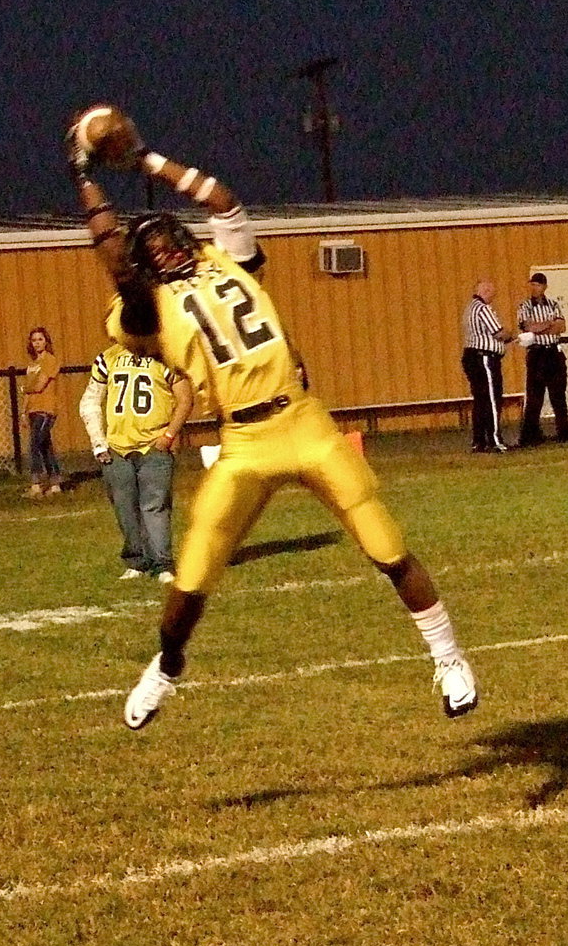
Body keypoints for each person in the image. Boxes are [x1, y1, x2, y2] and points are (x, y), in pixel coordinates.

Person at [65, 109, 480, 730]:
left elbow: (223, 200)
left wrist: (149, 160)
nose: (163, 246)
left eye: (168, 235)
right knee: (192, 577)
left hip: (304, 420)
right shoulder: (145, 306)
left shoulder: (227, 261)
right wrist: (83, 176)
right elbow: (113, 256)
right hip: (243, 441)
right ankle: (166, 667)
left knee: (387, 546)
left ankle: (448, 657)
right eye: (150, 245)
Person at [79, 342, 193, 583]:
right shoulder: (108, 357)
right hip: (117, 447)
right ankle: (137, 561)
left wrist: (169, 435)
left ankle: (162, 564)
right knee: (125, 509)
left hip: (153, 443)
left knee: (155, 507)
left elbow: (185, 398)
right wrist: (98, 442)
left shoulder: (166, 356)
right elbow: (89, 403)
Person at [516, 272, 568, 446]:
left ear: (544, 287)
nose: (534, 288)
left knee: (558, 395)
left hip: (553, 353)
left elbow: (561, 327)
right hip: (537, 354)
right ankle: (530, 436)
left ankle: (564, 433)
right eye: (532, 285)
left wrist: (541, 328)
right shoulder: (525, 306)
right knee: (535, 396)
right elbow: (529, 327)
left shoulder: (553, 304)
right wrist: (548, 324)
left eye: (537, 285)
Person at [461, 281, 513, 453]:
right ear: (485, 291)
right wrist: (510, 335)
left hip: (472, 357)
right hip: (484, 358)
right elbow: (498, 332)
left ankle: (479, 440)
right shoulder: (483, 309)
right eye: (492, 292)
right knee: (491, 399)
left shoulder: (469, 308)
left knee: (480, 400)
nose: (493, 296)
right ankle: (495, 440)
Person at [23, 326, 63, 495]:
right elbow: (29, 390)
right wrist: (24, 412)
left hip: (45, 409)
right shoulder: (32, 364)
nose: (37, 343)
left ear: (46, 341)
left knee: (34, 444)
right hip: (33, 408)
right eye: (34, 340)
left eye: (40, 339)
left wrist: (25, 388)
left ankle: (36, 483)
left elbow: (39, 386)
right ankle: (55, 483)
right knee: (45, 446)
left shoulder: (50, 360)